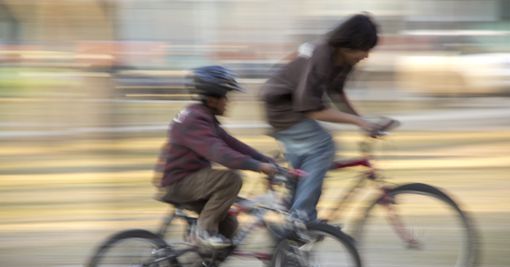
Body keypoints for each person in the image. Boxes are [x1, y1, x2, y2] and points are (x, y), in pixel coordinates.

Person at [261, 13, 382, 223]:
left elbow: (336, 93)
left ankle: (291, 227)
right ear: (348, 45)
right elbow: (310, 108)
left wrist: (363, 121)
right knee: (323, 145)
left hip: (295, 108)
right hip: (281, 108)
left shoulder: (344, 60)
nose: (366, 56)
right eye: (364, 49)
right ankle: (301, 217)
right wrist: (359, 122)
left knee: (305, 169)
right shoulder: (322, 56)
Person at [156, 66, 277, 248]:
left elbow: (232, 144)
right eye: (226, 96)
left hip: (189, 181)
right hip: (179, 183)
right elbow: (222, 154)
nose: (228, 102)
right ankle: (203, 232)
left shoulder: (203, 117)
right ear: (212, 99)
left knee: (228, 226)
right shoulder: (195, 120)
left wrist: (266, 160)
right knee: (231, 179)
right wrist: (259, 166)